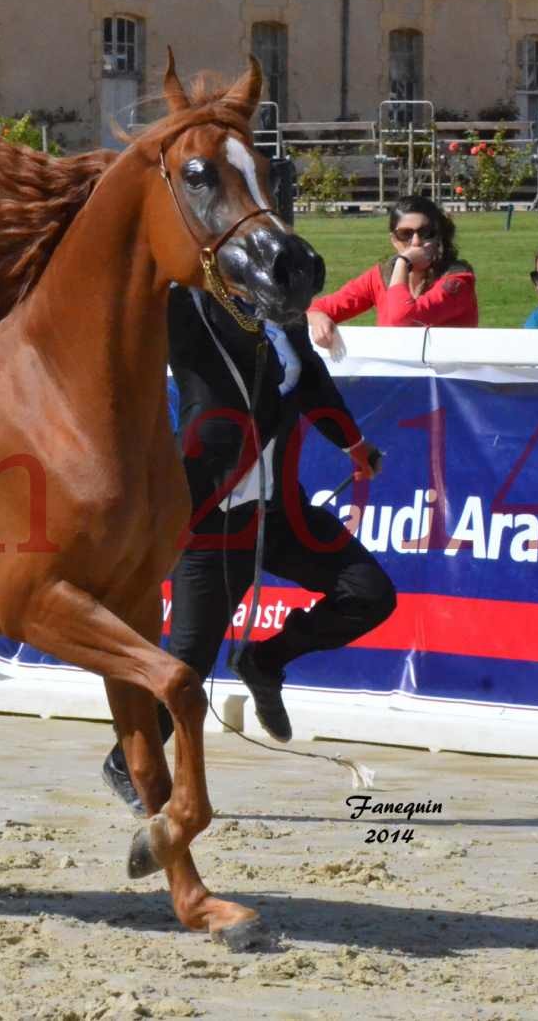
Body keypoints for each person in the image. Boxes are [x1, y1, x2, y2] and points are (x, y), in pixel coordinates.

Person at [100, 286, 396, 815]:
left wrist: (355, 446)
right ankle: (127, 761)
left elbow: (314, 387)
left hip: (281, 511)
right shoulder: (189, 309)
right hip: (211, 520)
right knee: (185, 669)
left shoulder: (285, 312)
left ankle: (263, 660)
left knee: (370, 593)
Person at [307, 194, 476, 351]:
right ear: (394, 240)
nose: (416, 242)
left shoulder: (457, 281)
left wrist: (403, 261)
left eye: (426, 233)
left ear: (438, 237)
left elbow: (403, 320)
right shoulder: (381, 276)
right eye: (405, 234)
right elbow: (314, 308)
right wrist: (317, 317)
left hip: (447, 379)